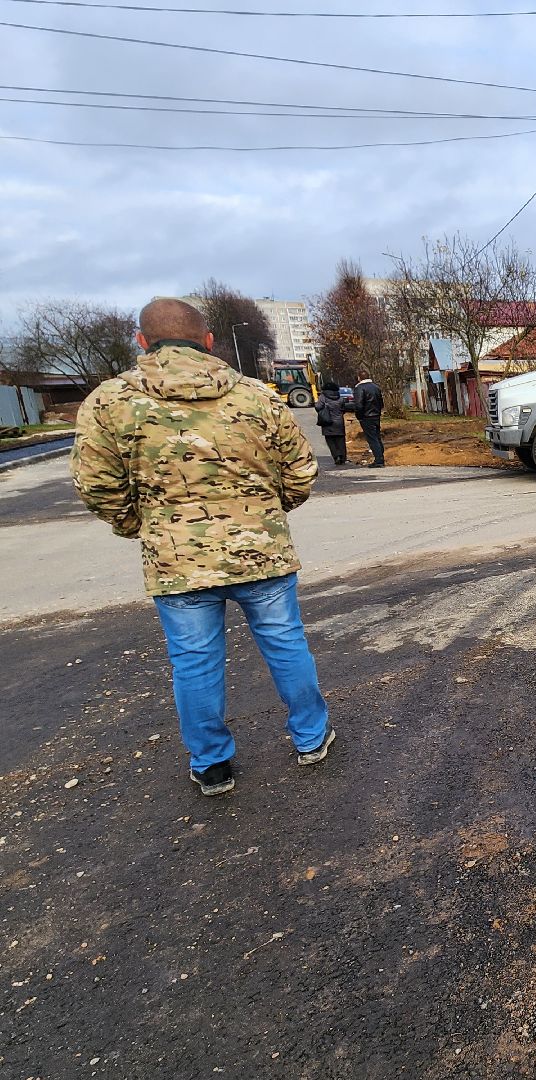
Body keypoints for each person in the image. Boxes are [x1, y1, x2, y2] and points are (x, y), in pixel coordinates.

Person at [70, 298, 335, 797]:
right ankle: (311, 738)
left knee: (193, 660)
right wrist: (266, 513)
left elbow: (97, 483)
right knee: (285, 642)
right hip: (262, 553)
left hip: (177, 558)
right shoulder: (256, 396)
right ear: (209, 341)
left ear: (142, 341)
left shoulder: (109, 402)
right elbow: (301, 469)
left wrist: (145, 525)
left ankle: (212, 765)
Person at [350, 373, 384, 467]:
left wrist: (359, 416)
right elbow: (381, 402)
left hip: (366, 416)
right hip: (376, 415)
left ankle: (379, 461)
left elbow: (359, 405)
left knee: (372, 439)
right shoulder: (376, 387)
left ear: (359, 378)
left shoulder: (359, 388)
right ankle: (381, 457)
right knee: (377, 437)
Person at [315, 382, 348, 466]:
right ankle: (342, 457)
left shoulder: (323, 397)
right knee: (341, 440)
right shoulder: (339, 397)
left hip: (327, 421)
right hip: (339, 422)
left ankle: (336, 456)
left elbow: (318, 407)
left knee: (330, 441)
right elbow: (343, 408)